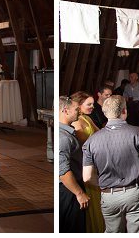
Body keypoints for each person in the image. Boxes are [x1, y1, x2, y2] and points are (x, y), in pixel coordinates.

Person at [81, 95, 139, 233]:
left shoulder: (91, 141)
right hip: (135, 193)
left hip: (109, 196)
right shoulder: (137, 133)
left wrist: (105, 185)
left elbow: (86, 177)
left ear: (105, 113)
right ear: (124, 111)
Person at [69, 91, 104, 232]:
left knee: (99, 199)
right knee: (94, 201)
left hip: (96, 162)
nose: (92, 107)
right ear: (78, 105)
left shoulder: (86, 119)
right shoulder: (77, 122)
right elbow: (86, 144)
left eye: (93, 104)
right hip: (86, 165)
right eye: (89, 104)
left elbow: (100, 132)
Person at [58, 96, 88, 233]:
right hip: (69, 190)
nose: (79, 112)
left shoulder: (68, 132)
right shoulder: (63, 137)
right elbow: (63, 171)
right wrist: (79, 192)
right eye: (76, 109)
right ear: (65, 110)